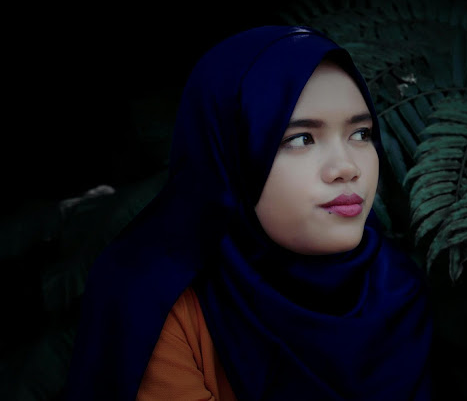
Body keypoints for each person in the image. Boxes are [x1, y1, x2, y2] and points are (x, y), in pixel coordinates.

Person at [65, 25, 433, 400]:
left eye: (361, 133)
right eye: (302, 138)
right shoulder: (152, 302)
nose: (346, 167)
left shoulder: (394, 286)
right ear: (231, 156)